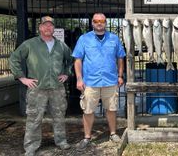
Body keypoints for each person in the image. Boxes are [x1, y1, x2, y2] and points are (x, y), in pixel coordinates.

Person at [9, 16, 72, 156]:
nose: (48, 28)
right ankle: (31, 147)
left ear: (53, 28)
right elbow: (14, 58)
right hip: (37, 89)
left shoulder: (61, 45)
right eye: (45, 25)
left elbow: (71, 60)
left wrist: (67, 73)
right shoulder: (30, 44)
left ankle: (61, 141)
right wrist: (22, 78)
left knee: (59, 116)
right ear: (40, 28)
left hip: (57, 88)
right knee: (34, 118)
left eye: (51, 25)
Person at [72, 13, 126, 150]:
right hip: (90, 81)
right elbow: (77, 59)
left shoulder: (114, 39)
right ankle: (87, 137)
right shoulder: (84, 39)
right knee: (88, 110)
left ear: (106, 22)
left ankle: (113, 133)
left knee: (112, 108)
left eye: (102, 21)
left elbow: (120, 57)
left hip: (110, 80)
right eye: (96, 21)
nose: (99, 23)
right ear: (92, 23)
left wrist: (120, 75)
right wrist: (79, 79)